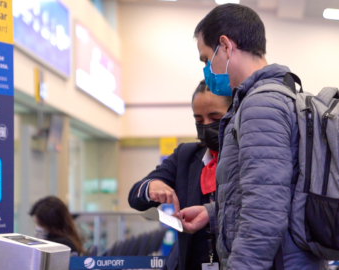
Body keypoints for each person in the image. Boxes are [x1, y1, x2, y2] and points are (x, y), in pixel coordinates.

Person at [179, 4, 327, 269]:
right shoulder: (281, 94)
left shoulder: (260, 106)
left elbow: (264, 215)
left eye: (206, 59)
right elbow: (277, 191)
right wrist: (213, 214)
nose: (206, 69)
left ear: (225, 45)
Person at [128, 80, 231, 270]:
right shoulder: (186, 156)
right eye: (199, 120)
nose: (206, 126)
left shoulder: (246, 158)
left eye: (215, 118)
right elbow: (135, 197)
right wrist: (151, 187)